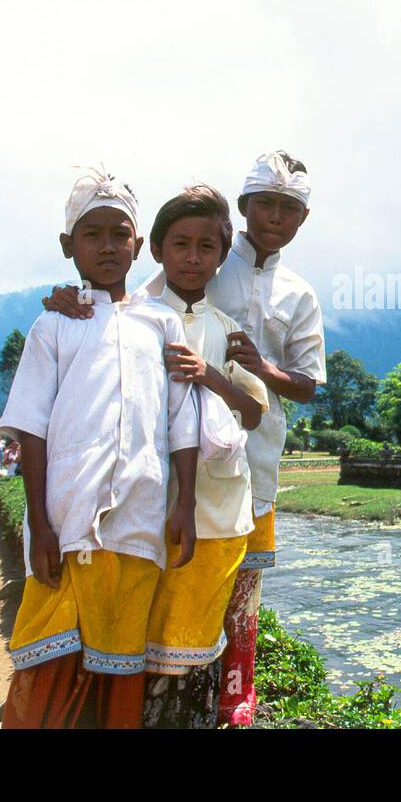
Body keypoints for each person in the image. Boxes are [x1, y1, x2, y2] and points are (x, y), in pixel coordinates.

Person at [44, 150, 326, 725]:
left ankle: (237, 690)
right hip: (166, 460)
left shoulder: (299, 294)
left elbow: (308, 384)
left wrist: (263, 369)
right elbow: (120, 301)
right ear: (243, 210)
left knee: (239, 581)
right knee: (169, 569)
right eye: (265, 204)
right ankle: (149, 686)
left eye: (289, 208)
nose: (275, 217)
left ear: (302, 220)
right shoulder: (203, 264)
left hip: (254, 455)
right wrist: (70, 297)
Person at [0, 168, 200, 729]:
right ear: (69, 246)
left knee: (121, 662)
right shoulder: (54, 325)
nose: (108, 245)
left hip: (140, 517)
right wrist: (38, 522)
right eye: (93, 234)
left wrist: (183, 505)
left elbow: (183, 422)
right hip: (68, 516)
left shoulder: (162, 324)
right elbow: (32, 428)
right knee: (49, 656)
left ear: (139, 246)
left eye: (120, 233)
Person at [140, 187, 270, 728]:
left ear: (220, 256)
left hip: (218, 504)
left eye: (205, 247)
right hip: (148, 501)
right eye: (180, 244)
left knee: (198, 637)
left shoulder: (224, 331)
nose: (192, 258)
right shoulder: (134, 320)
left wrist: (209, 375)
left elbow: (254, 412)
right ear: (157, 250)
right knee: (147, 630)